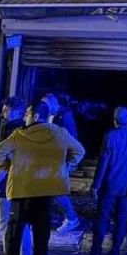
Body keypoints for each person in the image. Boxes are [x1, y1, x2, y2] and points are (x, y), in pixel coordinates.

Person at [0, 101, 86, 255]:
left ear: (35, 116)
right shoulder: (60, 133)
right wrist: (63, 168)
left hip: (20, 192)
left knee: (13, 236)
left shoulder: (19, 135)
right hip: (46, 192)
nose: (25, 117)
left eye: (27, 113)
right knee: (41, 238)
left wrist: (9, 167)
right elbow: (79, 151)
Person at [89, 107, 127, 255]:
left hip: (110, 184)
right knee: (121, 220)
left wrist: (96, 185)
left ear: (114, 121)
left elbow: (103, 162)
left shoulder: (111, 136)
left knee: (102, 218)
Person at [0, 97, 31, 255]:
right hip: (24, 183)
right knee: (22, 222)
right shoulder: (28, 130)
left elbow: (5, 163)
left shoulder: (9, 129)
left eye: (6, 110)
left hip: (8, 184)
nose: (2, 113)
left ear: (17, 111)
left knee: (5, 222)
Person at [42, 92, 81, 233]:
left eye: (46, 105)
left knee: (55, 189)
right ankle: (69, 218)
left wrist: (68, 163)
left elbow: (72, 139)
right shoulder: (52, 115)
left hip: (60, 160)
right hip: (52, 160)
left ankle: (71, 218)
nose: (44, 108)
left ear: (54, 103)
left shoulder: (64, 116)